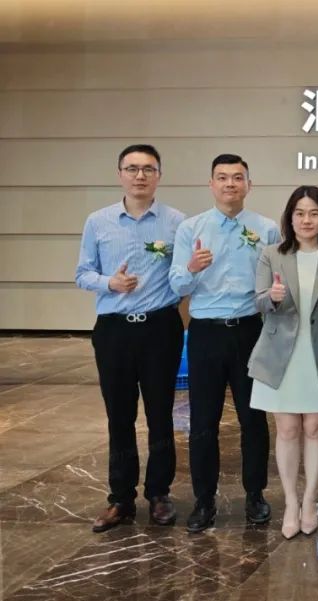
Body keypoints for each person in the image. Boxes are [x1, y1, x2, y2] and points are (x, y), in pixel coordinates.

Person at [75, 144, 186, 532]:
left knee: (161, 413)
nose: (140, 175)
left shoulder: (177, 223)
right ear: (120, 174)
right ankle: (120, 497)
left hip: (160, 329)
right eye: (132, 168)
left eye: (148, 169)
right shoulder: (98, 221)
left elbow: (183, 276)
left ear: (159, 175)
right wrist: (111, 283)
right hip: (114, 330)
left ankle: (159, 493)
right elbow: (82, 273)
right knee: (119, 416)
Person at [169, 154, 280, 533]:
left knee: (254, 419)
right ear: (211, 184)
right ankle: (204, 500)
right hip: (206, 332)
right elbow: (176, 284)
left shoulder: (266, 229)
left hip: (250, 330)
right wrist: (192, 268)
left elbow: (276, 282)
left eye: (237, 177)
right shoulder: (191, 229)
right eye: (222, 177)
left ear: (249, 184)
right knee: (203, 421)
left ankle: (255, 495)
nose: (230, 183)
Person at [248, 185, 318, 539]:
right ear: (290, 218)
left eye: (314, 213)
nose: (306, 220)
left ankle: (311, 499)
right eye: (300, 213)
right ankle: (290, 501)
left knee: (315, 428)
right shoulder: (271, 254)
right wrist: (272, 297)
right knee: (287, 430)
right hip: (280, 354)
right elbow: (258, 302)